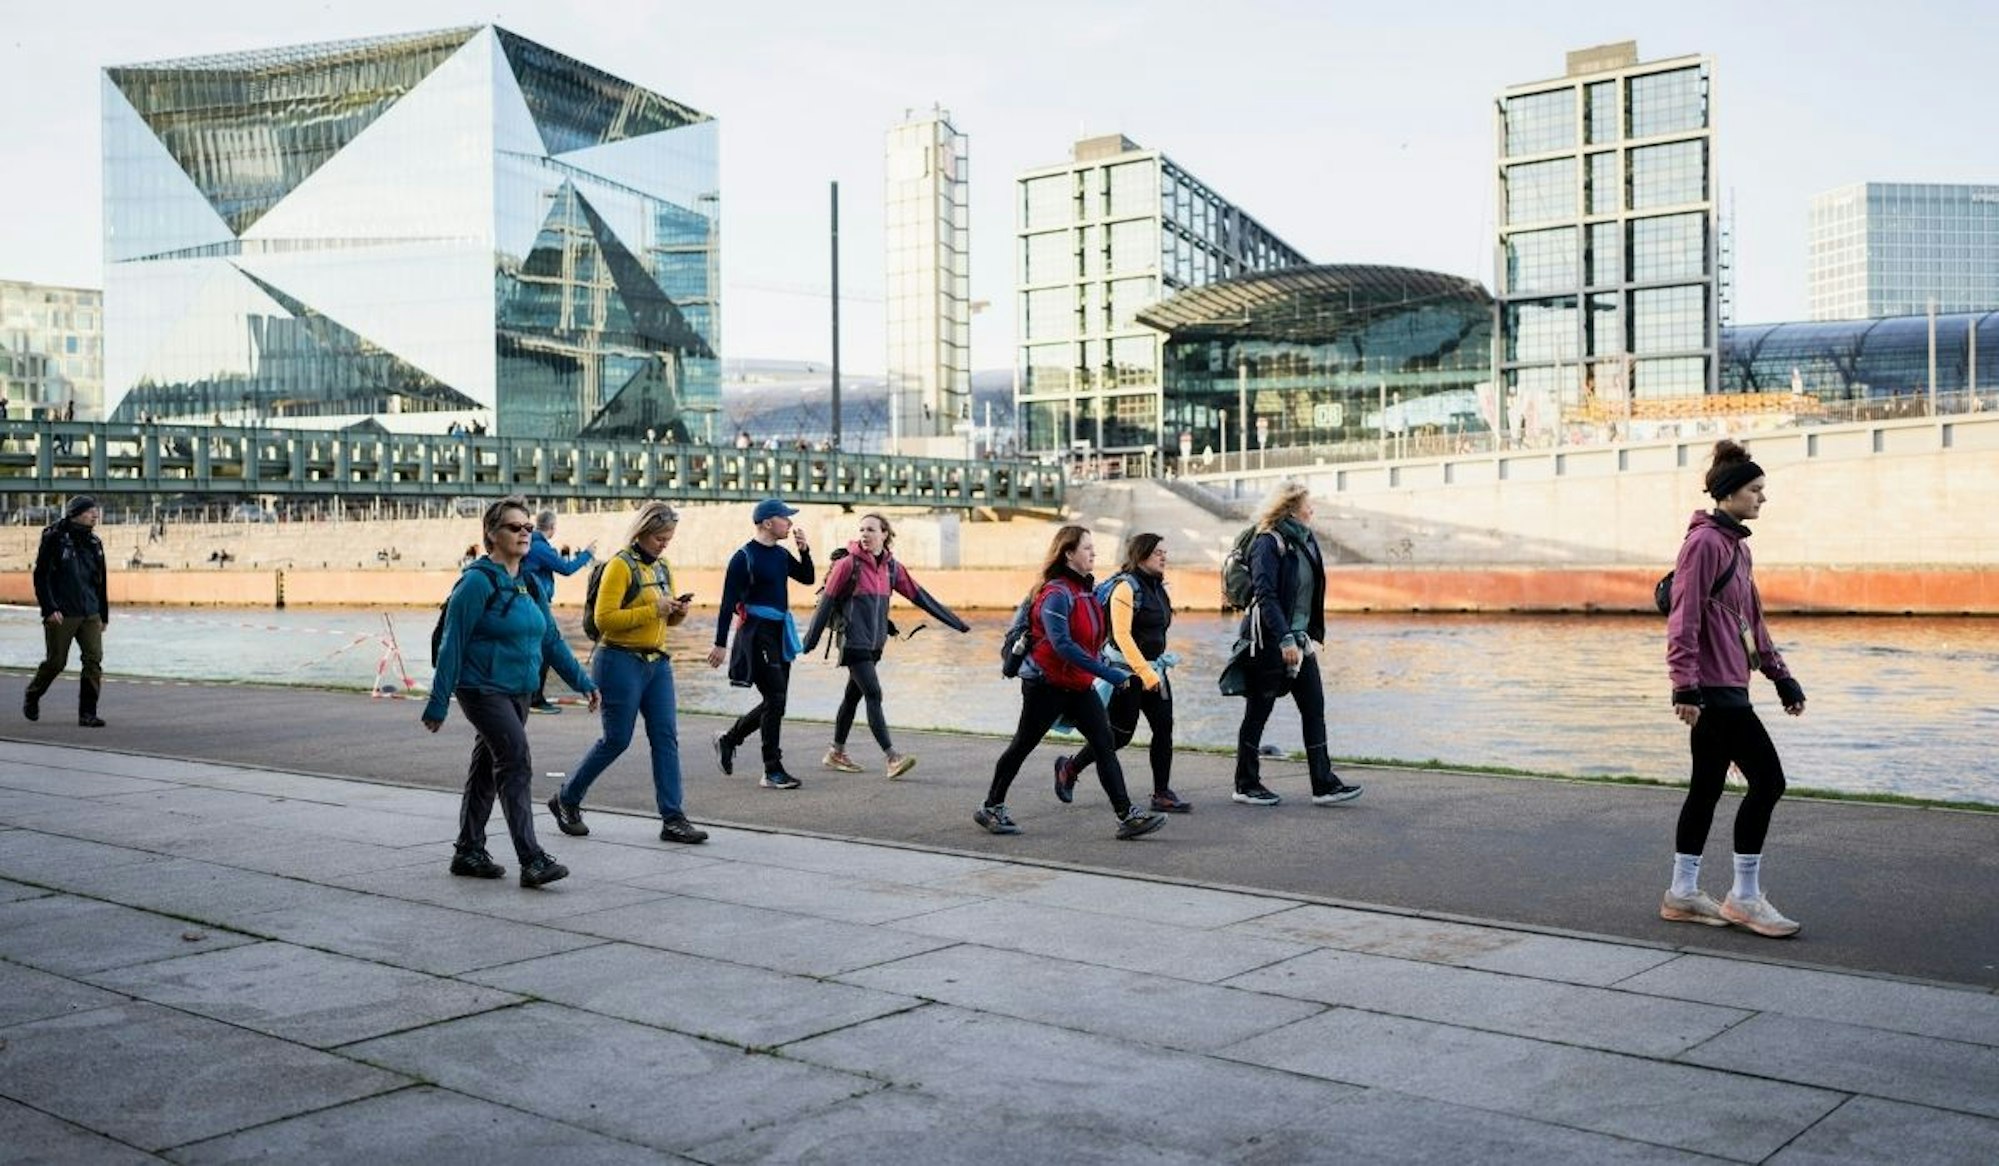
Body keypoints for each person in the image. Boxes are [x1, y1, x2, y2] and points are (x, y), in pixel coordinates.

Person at [1661, 440, 1807, 938]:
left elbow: (1754, 623)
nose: (1762, 498)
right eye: (1755, 490)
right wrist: (1684, 686)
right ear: (1729, 494)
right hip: (1713, 691)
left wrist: (1780, 675)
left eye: (1763, 489)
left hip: (1731, 687)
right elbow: (1683, 617)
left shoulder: (1739, 548)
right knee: (1768, 782)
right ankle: (1744, 898)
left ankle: (1683, 892)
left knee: (1707, 786)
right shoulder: (1703, 545)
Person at [423, 496, 599, 888]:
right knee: (515, 761)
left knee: (487, 768)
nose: (523, 534)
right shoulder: (475, 582)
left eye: (528, 528)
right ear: (491, 534)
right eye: (514, 527)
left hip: (518, 691)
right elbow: (453, 643)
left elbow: (551, 641)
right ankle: (532, 859)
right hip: (481, 688)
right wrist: (438, 703)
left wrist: (585, 683)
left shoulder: (530, 582)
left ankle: (468, 850)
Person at [974, 525, 1166, 841]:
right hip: (1046, 686)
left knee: (1104, 744)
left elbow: (1092, 643)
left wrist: (1110, 668)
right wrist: (1113, 675)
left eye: (1093, 548)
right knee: (1023, 744)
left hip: (1077, 686)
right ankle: (991, 807)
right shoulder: (1055, 593)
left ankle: (1127, 816)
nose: (1094, 553)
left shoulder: (1086, 591)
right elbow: (1063, 645)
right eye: (1087, 548)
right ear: (1068, 553)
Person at [548, 502, 706, 844]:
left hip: (657, 663)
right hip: (619, 660)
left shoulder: (662, 567)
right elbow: (606, 621)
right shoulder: (620, 566)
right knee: (617, 739)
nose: (665, 543)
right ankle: (567, 798)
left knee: (665, 738)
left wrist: (677, 611)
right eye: (660, 537)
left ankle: (673, 817)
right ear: (643, 532)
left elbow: (666, 619)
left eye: (669, 538)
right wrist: (655, 609)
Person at [1222, 481, 1363, 808]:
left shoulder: (1306, 541)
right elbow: (1265, 594)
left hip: (1300, 640)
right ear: (1290, 508)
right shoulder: (1267, 543)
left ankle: (1323, 784)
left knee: (1314, 709)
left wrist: (1303, 635)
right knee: (1258, 711)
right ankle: (1245, 783)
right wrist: (1284, 636)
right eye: (1307, 505)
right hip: (1269, 640)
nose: (1311, 510)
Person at [802, 513, 970, 779]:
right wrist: (808, 641)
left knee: (852, 696)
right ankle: (892, 757)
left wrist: (956, 622)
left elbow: (920, 596)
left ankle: (836, 751)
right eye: (862, 530)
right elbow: (826, 603)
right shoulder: (847, 564)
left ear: (885, 534)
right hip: (853, 642)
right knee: (874, 694)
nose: (865, 534)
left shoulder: (892, 568)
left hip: (876, 644)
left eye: (871, 530)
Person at [1054, 532, 1190, 813]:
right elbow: (1122, 636)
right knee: (1120, 736)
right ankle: (1069, 768)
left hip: (1154, 671)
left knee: (1163, 728)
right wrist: (1146, 674)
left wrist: (1156, 669)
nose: (1164, 556)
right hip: (1126, 675)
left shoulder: (1159, 588)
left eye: (1165, 552)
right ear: (1140, 556)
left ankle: (1161, 793)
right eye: (1158, 553)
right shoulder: (1126, 589)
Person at [708, 498, 814, 789]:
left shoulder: (780, 555)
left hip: (780, 631)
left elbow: (807, 578)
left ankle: (731, 741)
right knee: (776, 698)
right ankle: (770, 767)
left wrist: (804, 551)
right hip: (756, 632)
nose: (790, 523)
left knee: (776, 702)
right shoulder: (743, 557)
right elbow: (727, 603)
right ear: (768, 522)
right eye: (785, 518)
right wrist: (720, 643)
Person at [25, 494, 110, 727]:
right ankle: (33, 694)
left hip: (90, 611)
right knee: (56, 662)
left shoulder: (95, 543)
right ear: (76, 514)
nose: (95, 514)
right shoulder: (54, 538)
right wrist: (49, 608)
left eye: (96, 510)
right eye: (90, 511)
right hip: (62, 612)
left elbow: (101, 581)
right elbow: (41, 576)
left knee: (93, 660)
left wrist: (103, 614)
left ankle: (88, 713)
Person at [523, 509, 595, 713]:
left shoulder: (534, 544)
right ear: (552, 527)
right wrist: (587, 554)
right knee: (548, 648)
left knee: (543, 651)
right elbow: (567, 568)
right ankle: (534, 699)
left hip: (534, 604)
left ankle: (534, 697)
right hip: (536, 605)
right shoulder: (539, 547)